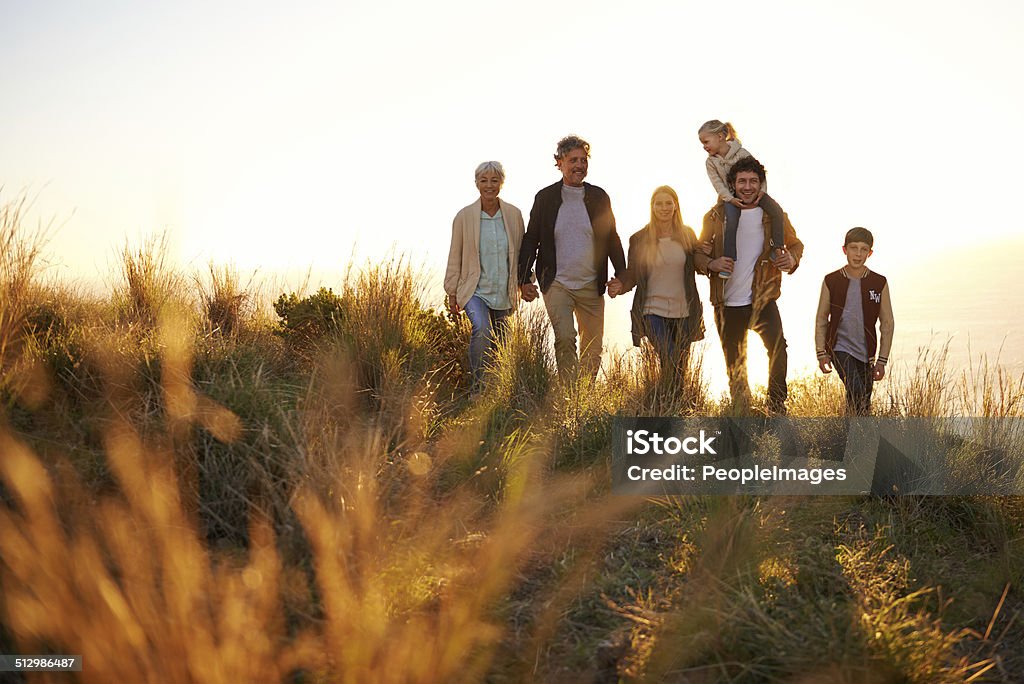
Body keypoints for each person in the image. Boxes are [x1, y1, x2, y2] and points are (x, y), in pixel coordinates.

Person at [694, 156, 804, 415]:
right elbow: (697, 255)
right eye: (742, 181)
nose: (747, 186)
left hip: (763, 297)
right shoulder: (715, 215)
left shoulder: (774, 216)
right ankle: (743, 412)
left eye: (753, 181)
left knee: (778, 349)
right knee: (736, 364)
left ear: (761, 184)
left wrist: (792, 258)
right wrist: (712, 263)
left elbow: (796, 244)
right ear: (732, 184)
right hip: (727, 302)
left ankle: (776, 406)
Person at [518, 135, 626, 381]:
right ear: (560, 163)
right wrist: (523, 279)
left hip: (591, 284)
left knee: (593, 349)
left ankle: (583, 400)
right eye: (573, 160)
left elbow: (611, 238)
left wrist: (622, 276)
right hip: (557, 283)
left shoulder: (599, 197)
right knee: (565, 338)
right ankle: (569, 393)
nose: (579, 165)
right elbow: (531, 239)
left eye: (584, 160)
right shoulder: (545, 198)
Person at [607, 186, 704, 384]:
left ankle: (670, 406)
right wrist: (620, 285)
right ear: (652, 207)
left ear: (676, 206)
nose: (664, 207)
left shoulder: (688, 235)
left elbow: (699, 263)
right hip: (652, 310)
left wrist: (710, 255)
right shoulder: (639, 238)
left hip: (684, 312)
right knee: (669, 358)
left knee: (680, 366)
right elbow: (633, 273)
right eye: (659, 203)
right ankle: (666, 404)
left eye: (669, 203)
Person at [445, 161, 526, 391]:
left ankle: (499, 390)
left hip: (503, 291)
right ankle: (478, 388)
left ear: (501, 183)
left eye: (494, 180)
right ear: (476, 184)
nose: (489, 185)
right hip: (475, 290)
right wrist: (452, 292)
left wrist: (525, 283)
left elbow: (521, 253)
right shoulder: (464, 217)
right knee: (482, 329)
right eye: (484, 181)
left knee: (502, 343)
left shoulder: (513, 215)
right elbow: (455, 254)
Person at [815, 227, 894, 415]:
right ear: (845, 250)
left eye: (863, 249)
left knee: (862, 403)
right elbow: (821, 318)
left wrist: (881, 361)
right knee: (856, 389)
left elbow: (887, 323)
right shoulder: (831, 280)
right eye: (853, 248)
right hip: (839, 348)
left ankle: (852, 439)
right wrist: (821, 352)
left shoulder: (879, 282)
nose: (858, 254)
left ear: (870, 253)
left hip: (867, 353)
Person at [698, 120, 786, 279]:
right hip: (729, 197)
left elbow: (760, 173)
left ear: (720, 137)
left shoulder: (742, 152)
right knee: (731, 220)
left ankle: (777, 248)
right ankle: (729, 259)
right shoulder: (710, 162)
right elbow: (717, 184)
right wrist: (730, 199)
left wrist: (762, 192)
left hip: (755, 194)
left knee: (777, 211)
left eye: (706, 141)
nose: (704, 146)